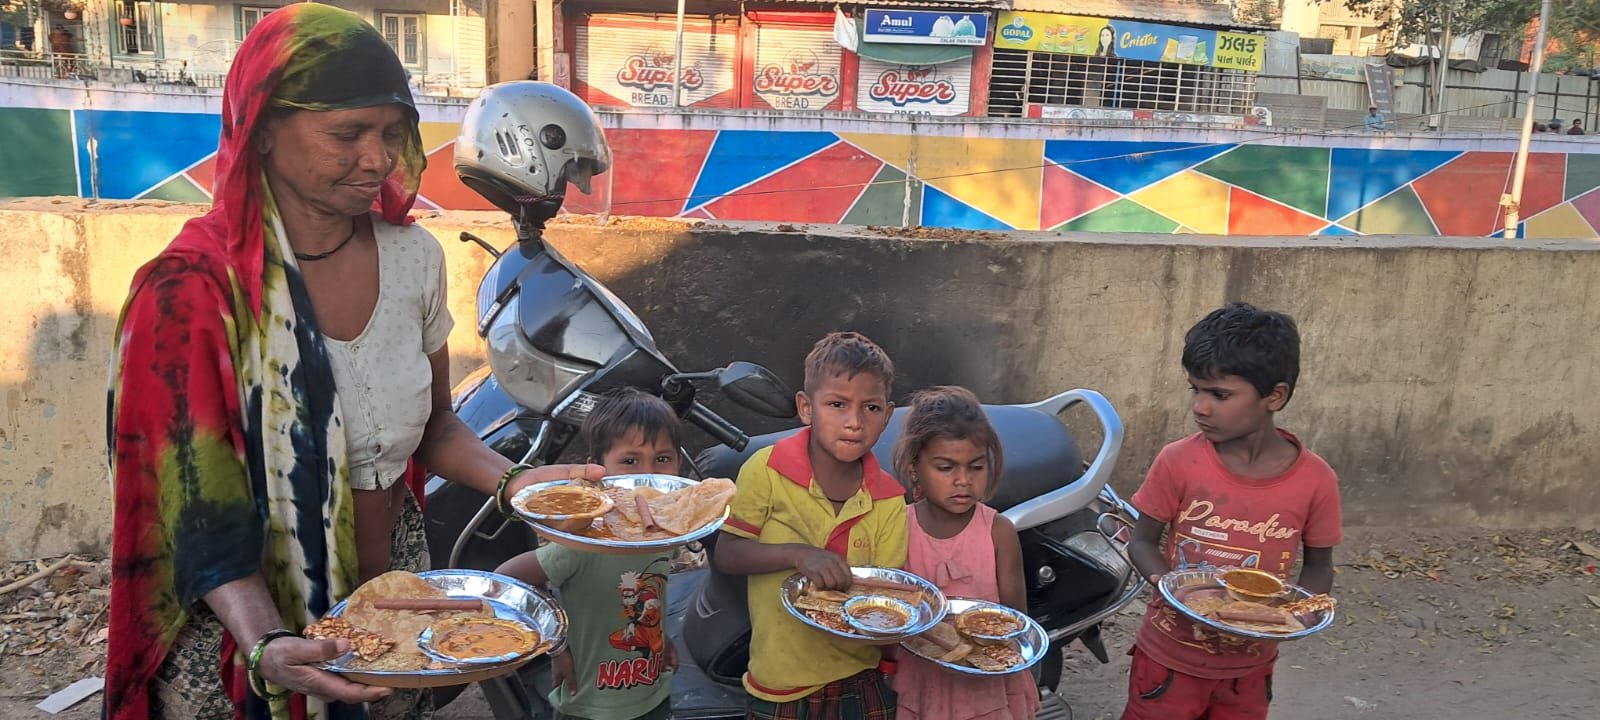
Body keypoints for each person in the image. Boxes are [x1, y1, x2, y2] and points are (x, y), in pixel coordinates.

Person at [104, 5, 603, 720]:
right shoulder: (193, 292)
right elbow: (194, 513)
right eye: (348, 134)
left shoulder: (413, 259)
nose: (376, 159)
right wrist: (265, 641)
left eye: (391, 134)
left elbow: (435, 427)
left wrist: (521, 488)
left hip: (397, 617)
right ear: (264, 128)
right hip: (246, 631)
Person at [1121, 303, 1342, 720]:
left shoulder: (1316, 480)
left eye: (1219, 394)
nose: (1200, 407)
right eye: (1195, 389)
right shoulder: (1178, 461)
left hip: (1250, 668)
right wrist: (1172, 587)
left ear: (1274, 396)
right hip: (1169, 657)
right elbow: (1142, 541)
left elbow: (1319, 567)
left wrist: (1298, 612)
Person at [714, 331, 906, 719]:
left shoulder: (888, 498)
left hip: (860, 678)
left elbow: (887, 591)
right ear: (806, 407)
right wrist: (797, 554)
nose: (854, 422)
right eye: (837, 404)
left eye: (870, 408)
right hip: (780, 681)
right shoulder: (766, 469)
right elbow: (728, 554)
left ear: (887, 416)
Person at [496, 388, 680, 720]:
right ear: (597, 471)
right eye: (630, 461)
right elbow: (505, 580)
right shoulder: (585, 542)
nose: (648, 474)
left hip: (652, 695)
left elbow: (649, 598)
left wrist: (661, 639)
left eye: (663, 459)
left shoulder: (663, 536)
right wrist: (555, 644)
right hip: (588, 705)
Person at [891, 387, 1039, 720]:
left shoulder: (997, 531)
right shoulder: (898, 528)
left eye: (975, 467)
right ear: (915, 467)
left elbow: (1016, 618)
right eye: (946, 468)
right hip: (922, 682)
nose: (963, 481)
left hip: (987, 684)